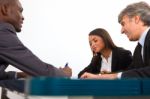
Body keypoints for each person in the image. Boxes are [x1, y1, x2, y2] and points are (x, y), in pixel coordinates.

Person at [0, 0, 72, 91]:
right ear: (4, 9)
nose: (23, 17)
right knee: (38, 86)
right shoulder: (2, 33)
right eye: (20, 11)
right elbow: (44, 72)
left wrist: (20, 74)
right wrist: (64, 74)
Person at [80, 1, 150, 79]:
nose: (122, 31)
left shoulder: (125, 53)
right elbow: (130, 73)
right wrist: (98, 77)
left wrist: (111, 76)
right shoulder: (138, 49)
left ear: (136, 19)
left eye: (123, 24)